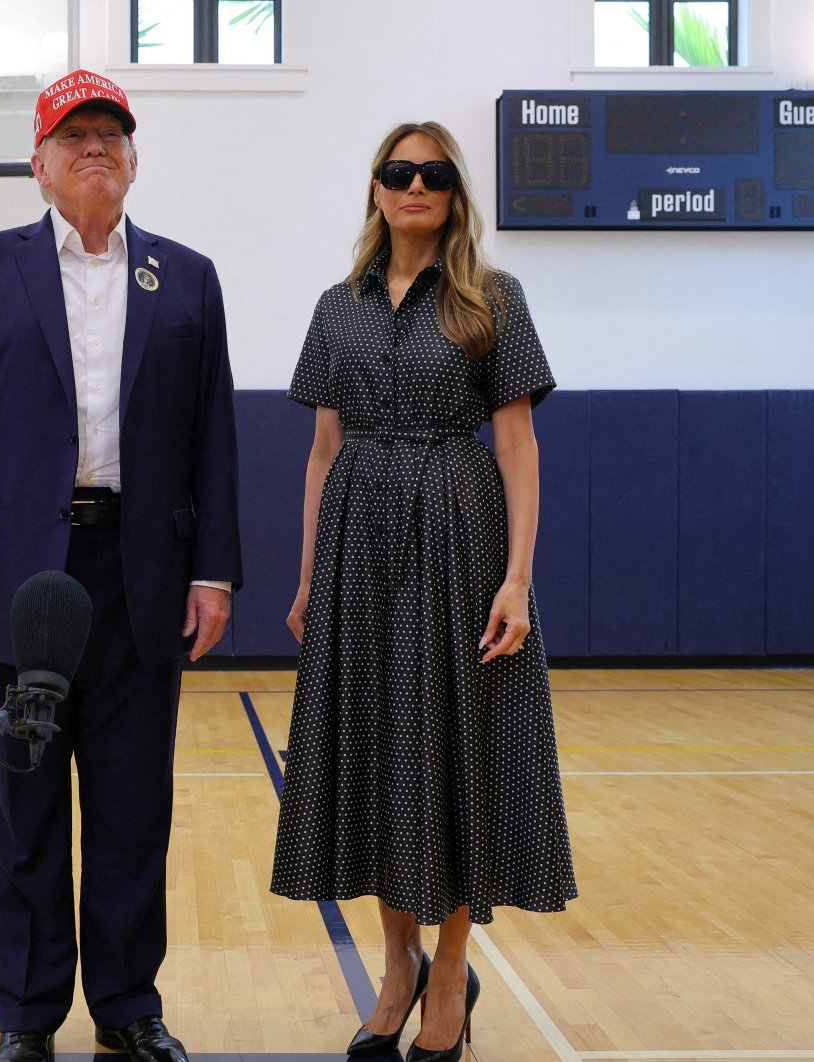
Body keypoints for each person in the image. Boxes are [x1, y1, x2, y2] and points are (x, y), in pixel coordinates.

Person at [0, 69, 242, 1062]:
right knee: (22, 817)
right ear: (39, 163)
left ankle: (129, 1006)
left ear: (133, 162)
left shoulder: (185, 278)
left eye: (112, 133)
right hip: (19, 581)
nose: (95, 146)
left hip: (141, 574)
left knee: (134, 811)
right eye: (74, 134)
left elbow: (212, 435)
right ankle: (26, 1015)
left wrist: (212, 569)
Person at [270, 121, 577, 1062]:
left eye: (432, 174)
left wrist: (518, 580)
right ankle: (395, 965)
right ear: (375, 188)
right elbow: (324, 450)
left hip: (459, 531)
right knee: (375, 749)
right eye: (397, 172)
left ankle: (450, 971)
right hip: (360, 539)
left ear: (454, 192)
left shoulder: (494, 299)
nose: (414, 185)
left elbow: (518, 445)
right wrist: (309, 573)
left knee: (453, 748)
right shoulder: (337, 306)